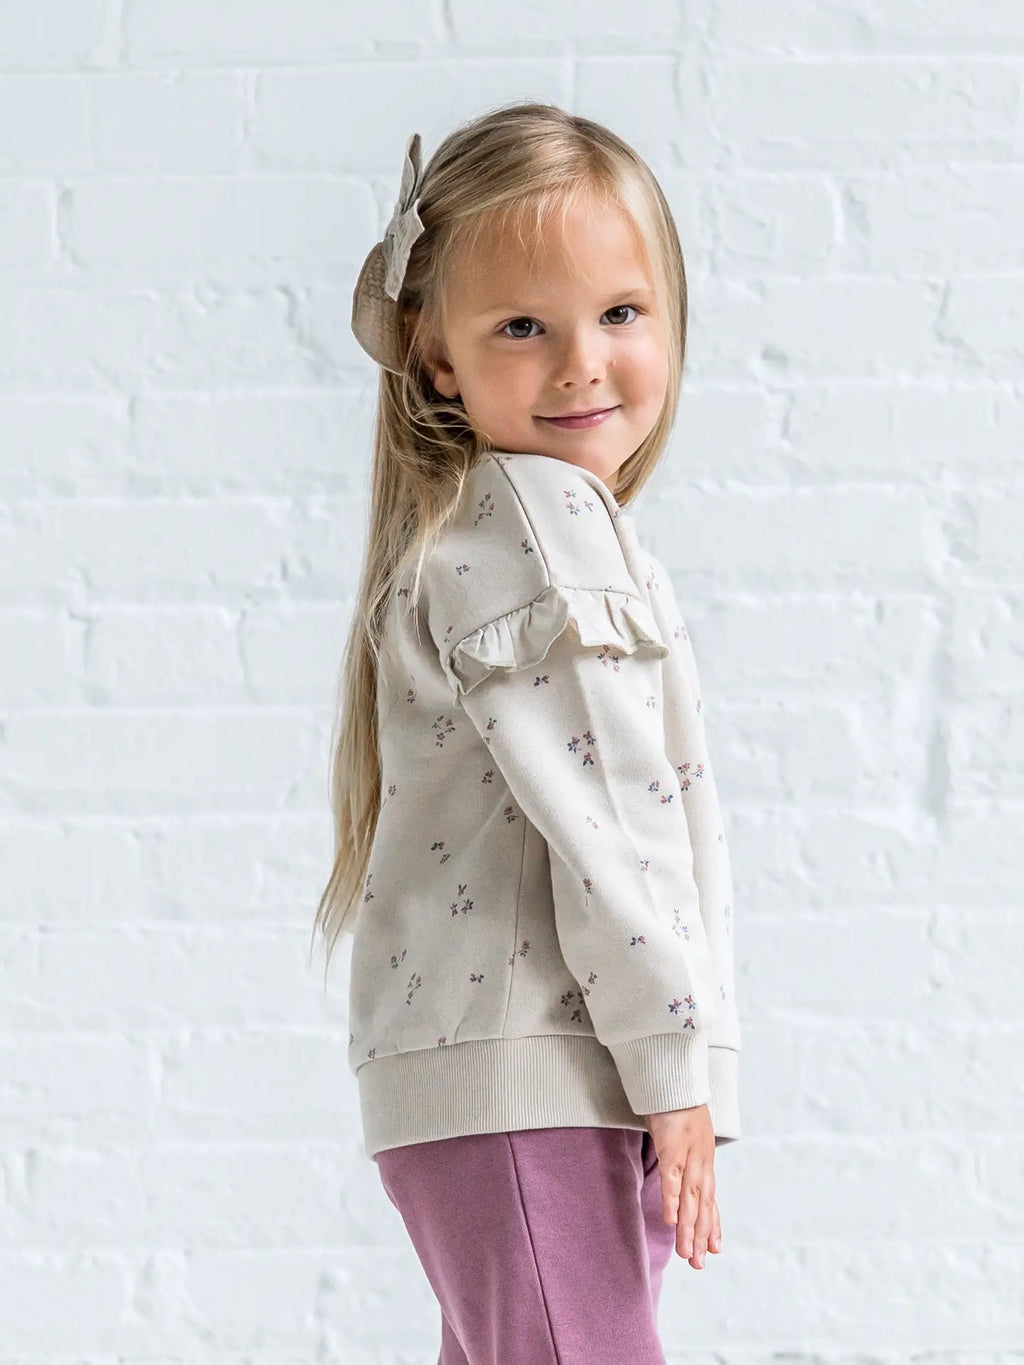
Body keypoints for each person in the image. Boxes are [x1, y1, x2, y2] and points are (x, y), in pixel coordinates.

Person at [311, 100, 742, 1365]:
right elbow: (606, 829)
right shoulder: (541, 533)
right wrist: (676, 1068)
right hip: (541, 1072)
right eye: (521, 327)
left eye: (619, 313)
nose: (580, 364)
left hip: (507, 1079)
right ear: (436, 355)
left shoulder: (495, 527)